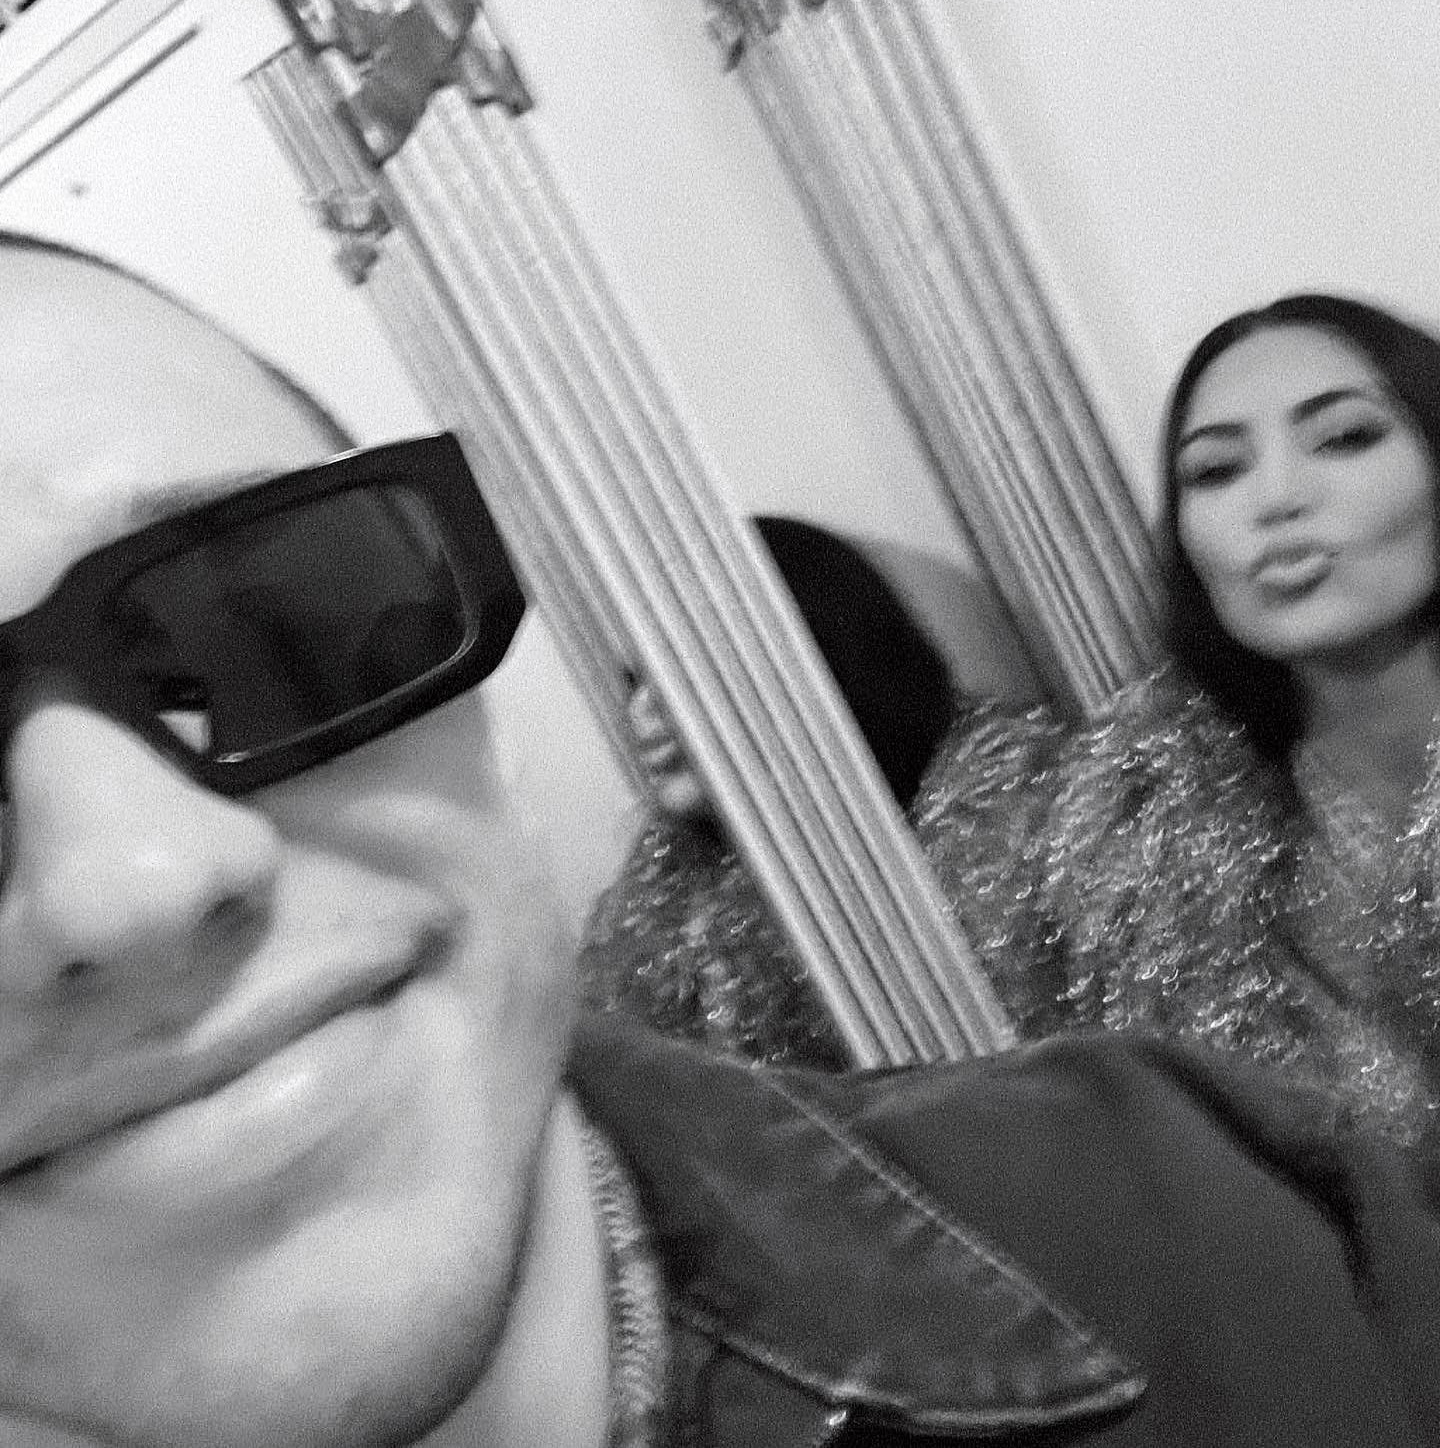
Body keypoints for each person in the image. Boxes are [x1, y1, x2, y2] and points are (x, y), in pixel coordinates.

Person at [11, 232, 1440, 1447]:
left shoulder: (1201, 1212)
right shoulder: (1131, 826)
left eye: (261, 624)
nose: (133, 880)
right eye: (1220, 468)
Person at [583, 294, 1440, 1143]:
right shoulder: (1144, 836)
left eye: (1346, 438)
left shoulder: (1028, 834)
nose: (1276, 498)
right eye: (1216, 471)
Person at [583, 517, 954, 1068]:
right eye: (634, 681)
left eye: (673, 671)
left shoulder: (1005, 818)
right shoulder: (659, 911)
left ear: (804, 660)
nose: (641, 714)